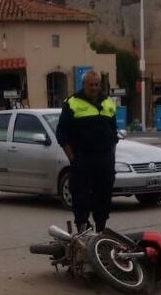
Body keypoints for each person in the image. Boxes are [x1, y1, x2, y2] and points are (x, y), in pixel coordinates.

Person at [56, 70, 118, 233]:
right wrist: (73, 159)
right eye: (91, 84)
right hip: (82, 159)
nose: (94, 87)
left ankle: (101, 231)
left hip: (104, 160)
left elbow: (114, 133)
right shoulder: (72, 103)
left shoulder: (108, 102)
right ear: (83, 84)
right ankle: (82, 230)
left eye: (97, 84)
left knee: (103, 196)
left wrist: (111, 155)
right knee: (81, 196)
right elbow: (61, 134)